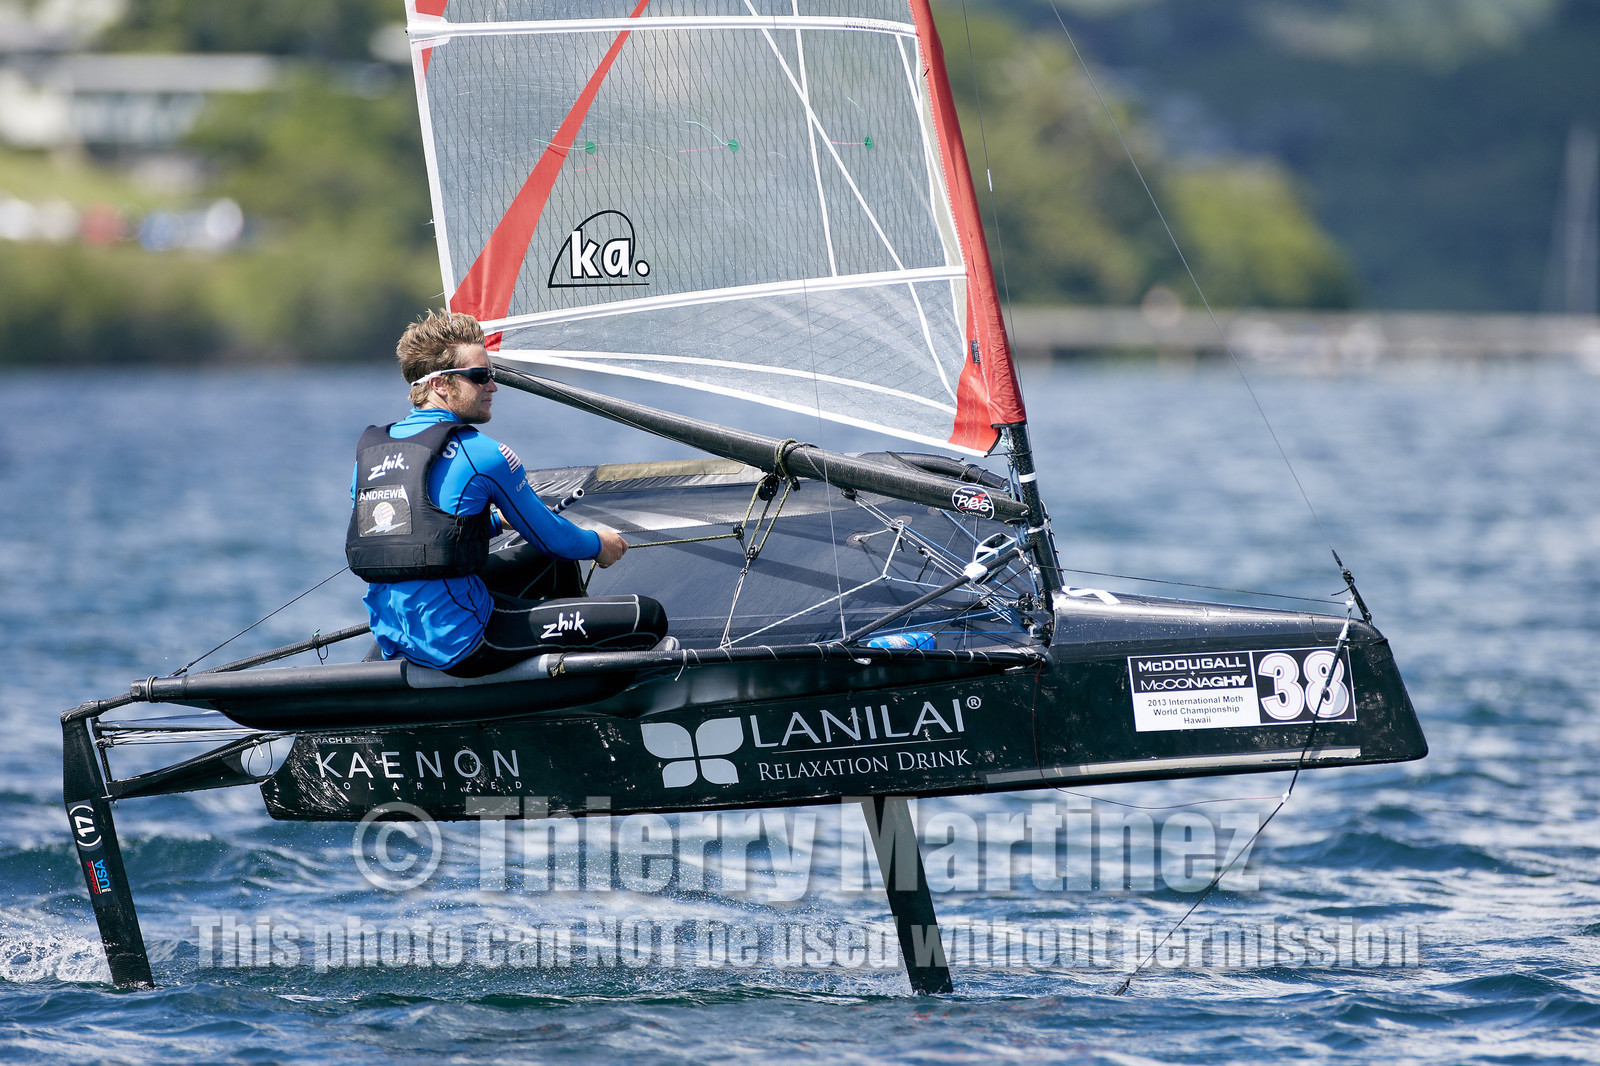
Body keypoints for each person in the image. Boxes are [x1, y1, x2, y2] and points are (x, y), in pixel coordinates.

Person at [348, 310, 668, 677]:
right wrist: (600, 544)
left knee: (545, 562)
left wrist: (491, 523)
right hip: (465, 645)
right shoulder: (482, 453)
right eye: (480, 376)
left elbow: (416, 534)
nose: (493, 386)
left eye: (492, 375)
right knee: (647, 616)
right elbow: (555, 540)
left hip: (397, 637)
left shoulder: (371, 455)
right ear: (439, 385)